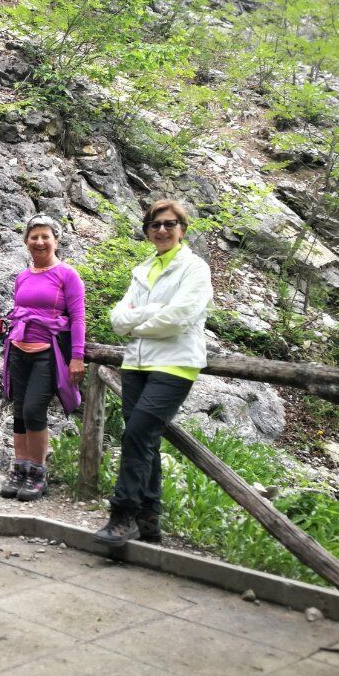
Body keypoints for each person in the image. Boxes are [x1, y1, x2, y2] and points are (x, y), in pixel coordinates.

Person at [95, 199, 213, 546]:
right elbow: (117, 320)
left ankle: (123, 515)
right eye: (155, 225)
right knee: (143, 438)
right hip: (137, 363)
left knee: (137, 434)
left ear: (182, 229)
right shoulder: (143, 269)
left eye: (169, 224)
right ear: (147, 231)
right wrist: (148, 315)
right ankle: (149, 519)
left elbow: (179, 317)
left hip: (175, 364)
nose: (162, 230)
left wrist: (137, 324)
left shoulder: (195, 268)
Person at [1, 215, 86, 502]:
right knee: (19, 411)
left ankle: (38, 473)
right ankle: (20, 469)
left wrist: (77, 357)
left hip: (47, 354)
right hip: (18, 351)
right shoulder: (22, 277)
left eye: (45, 236)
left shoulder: (67, 275)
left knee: (34, 411)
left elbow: (78, 318)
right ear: (26, 241)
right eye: (34, 237)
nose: (39, 242)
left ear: (56, 241)